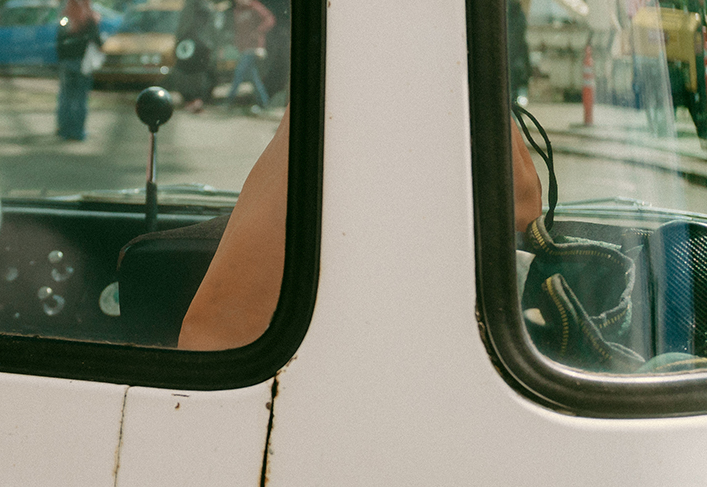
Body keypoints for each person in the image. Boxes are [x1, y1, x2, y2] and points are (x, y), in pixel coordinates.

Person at [178, 114, 545, 350]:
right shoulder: (426, 57)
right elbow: (520, 207)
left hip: (230, 350)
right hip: (257, 361)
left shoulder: (338, 70)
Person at [54, 0, 101, 142]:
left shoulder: (65, 16)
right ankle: (78, 131)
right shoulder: (90, 17)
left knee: (66, 97)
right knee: (81, 99)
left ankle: (64, 129)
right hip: (83, 63)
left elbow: (59, 40)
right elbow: (97, 40)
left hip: (67, 62)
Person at [227, 0, 275, 111]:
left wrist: (258, 31)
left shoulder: (255, 7)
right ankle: (264, 103)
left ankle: (229, 102)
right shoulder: (237, 11)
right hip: (244, 48)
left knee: (239, 73)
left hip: (254, 48)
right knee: (254, 78)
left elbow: (269, 19)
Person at [174, 0, 217, 113]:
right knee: (200, 73)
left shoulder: (190, 5)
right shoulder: (208, 7)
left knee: (185, 72)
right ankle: (198, 100)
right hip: (204, 44)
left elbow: (183, 26)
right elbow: (212, 28)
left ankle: (189, 101)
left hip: (188, 44)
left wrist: (178, 40)